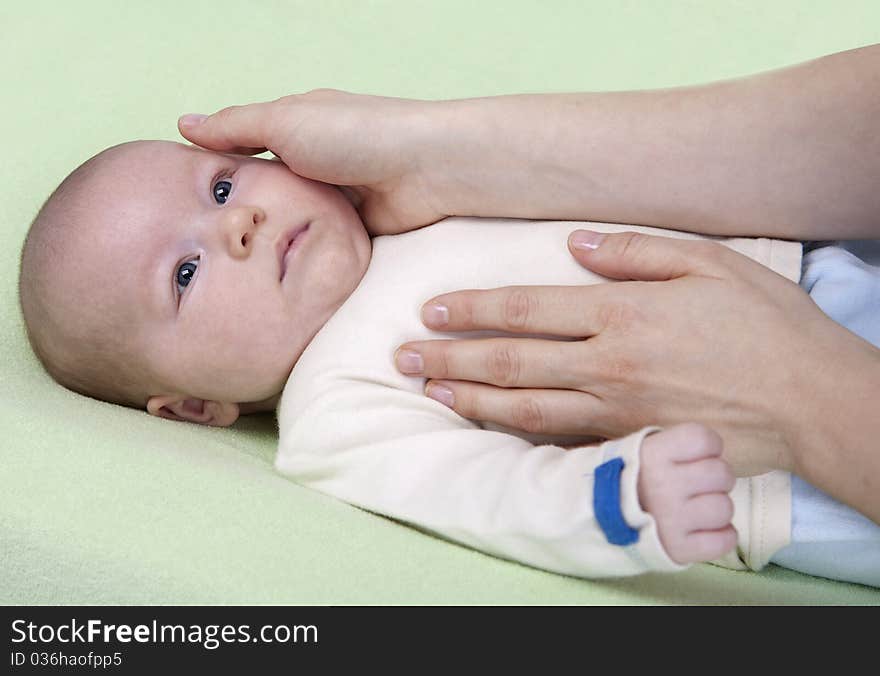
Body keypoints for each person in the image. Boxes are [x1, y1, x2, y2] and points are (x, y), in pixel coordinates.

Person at [18, 139, 806, 580]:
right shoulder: (333, 413)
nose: (241, 224)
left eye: (222, 186)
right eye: (185, 275)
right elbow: (481, 493)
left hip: (800, 260)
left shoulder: (405, 190)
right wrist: (618, 495)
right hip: (777, 466)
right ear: (194, 406)